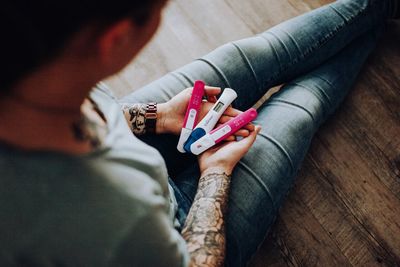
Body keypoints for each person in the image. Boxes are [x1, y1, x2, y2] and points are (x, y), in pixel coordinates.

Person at [0, 0, 398, 266]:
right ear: (114, 40)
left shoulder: (26, 57)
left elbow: (93, 113)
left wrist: (158, 116)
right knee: (302, 106)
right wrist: (216, 172)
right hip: (178, 230)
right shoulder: (118, 214)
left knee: (259, 53)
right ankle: (377, 24)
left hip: (129, 148)